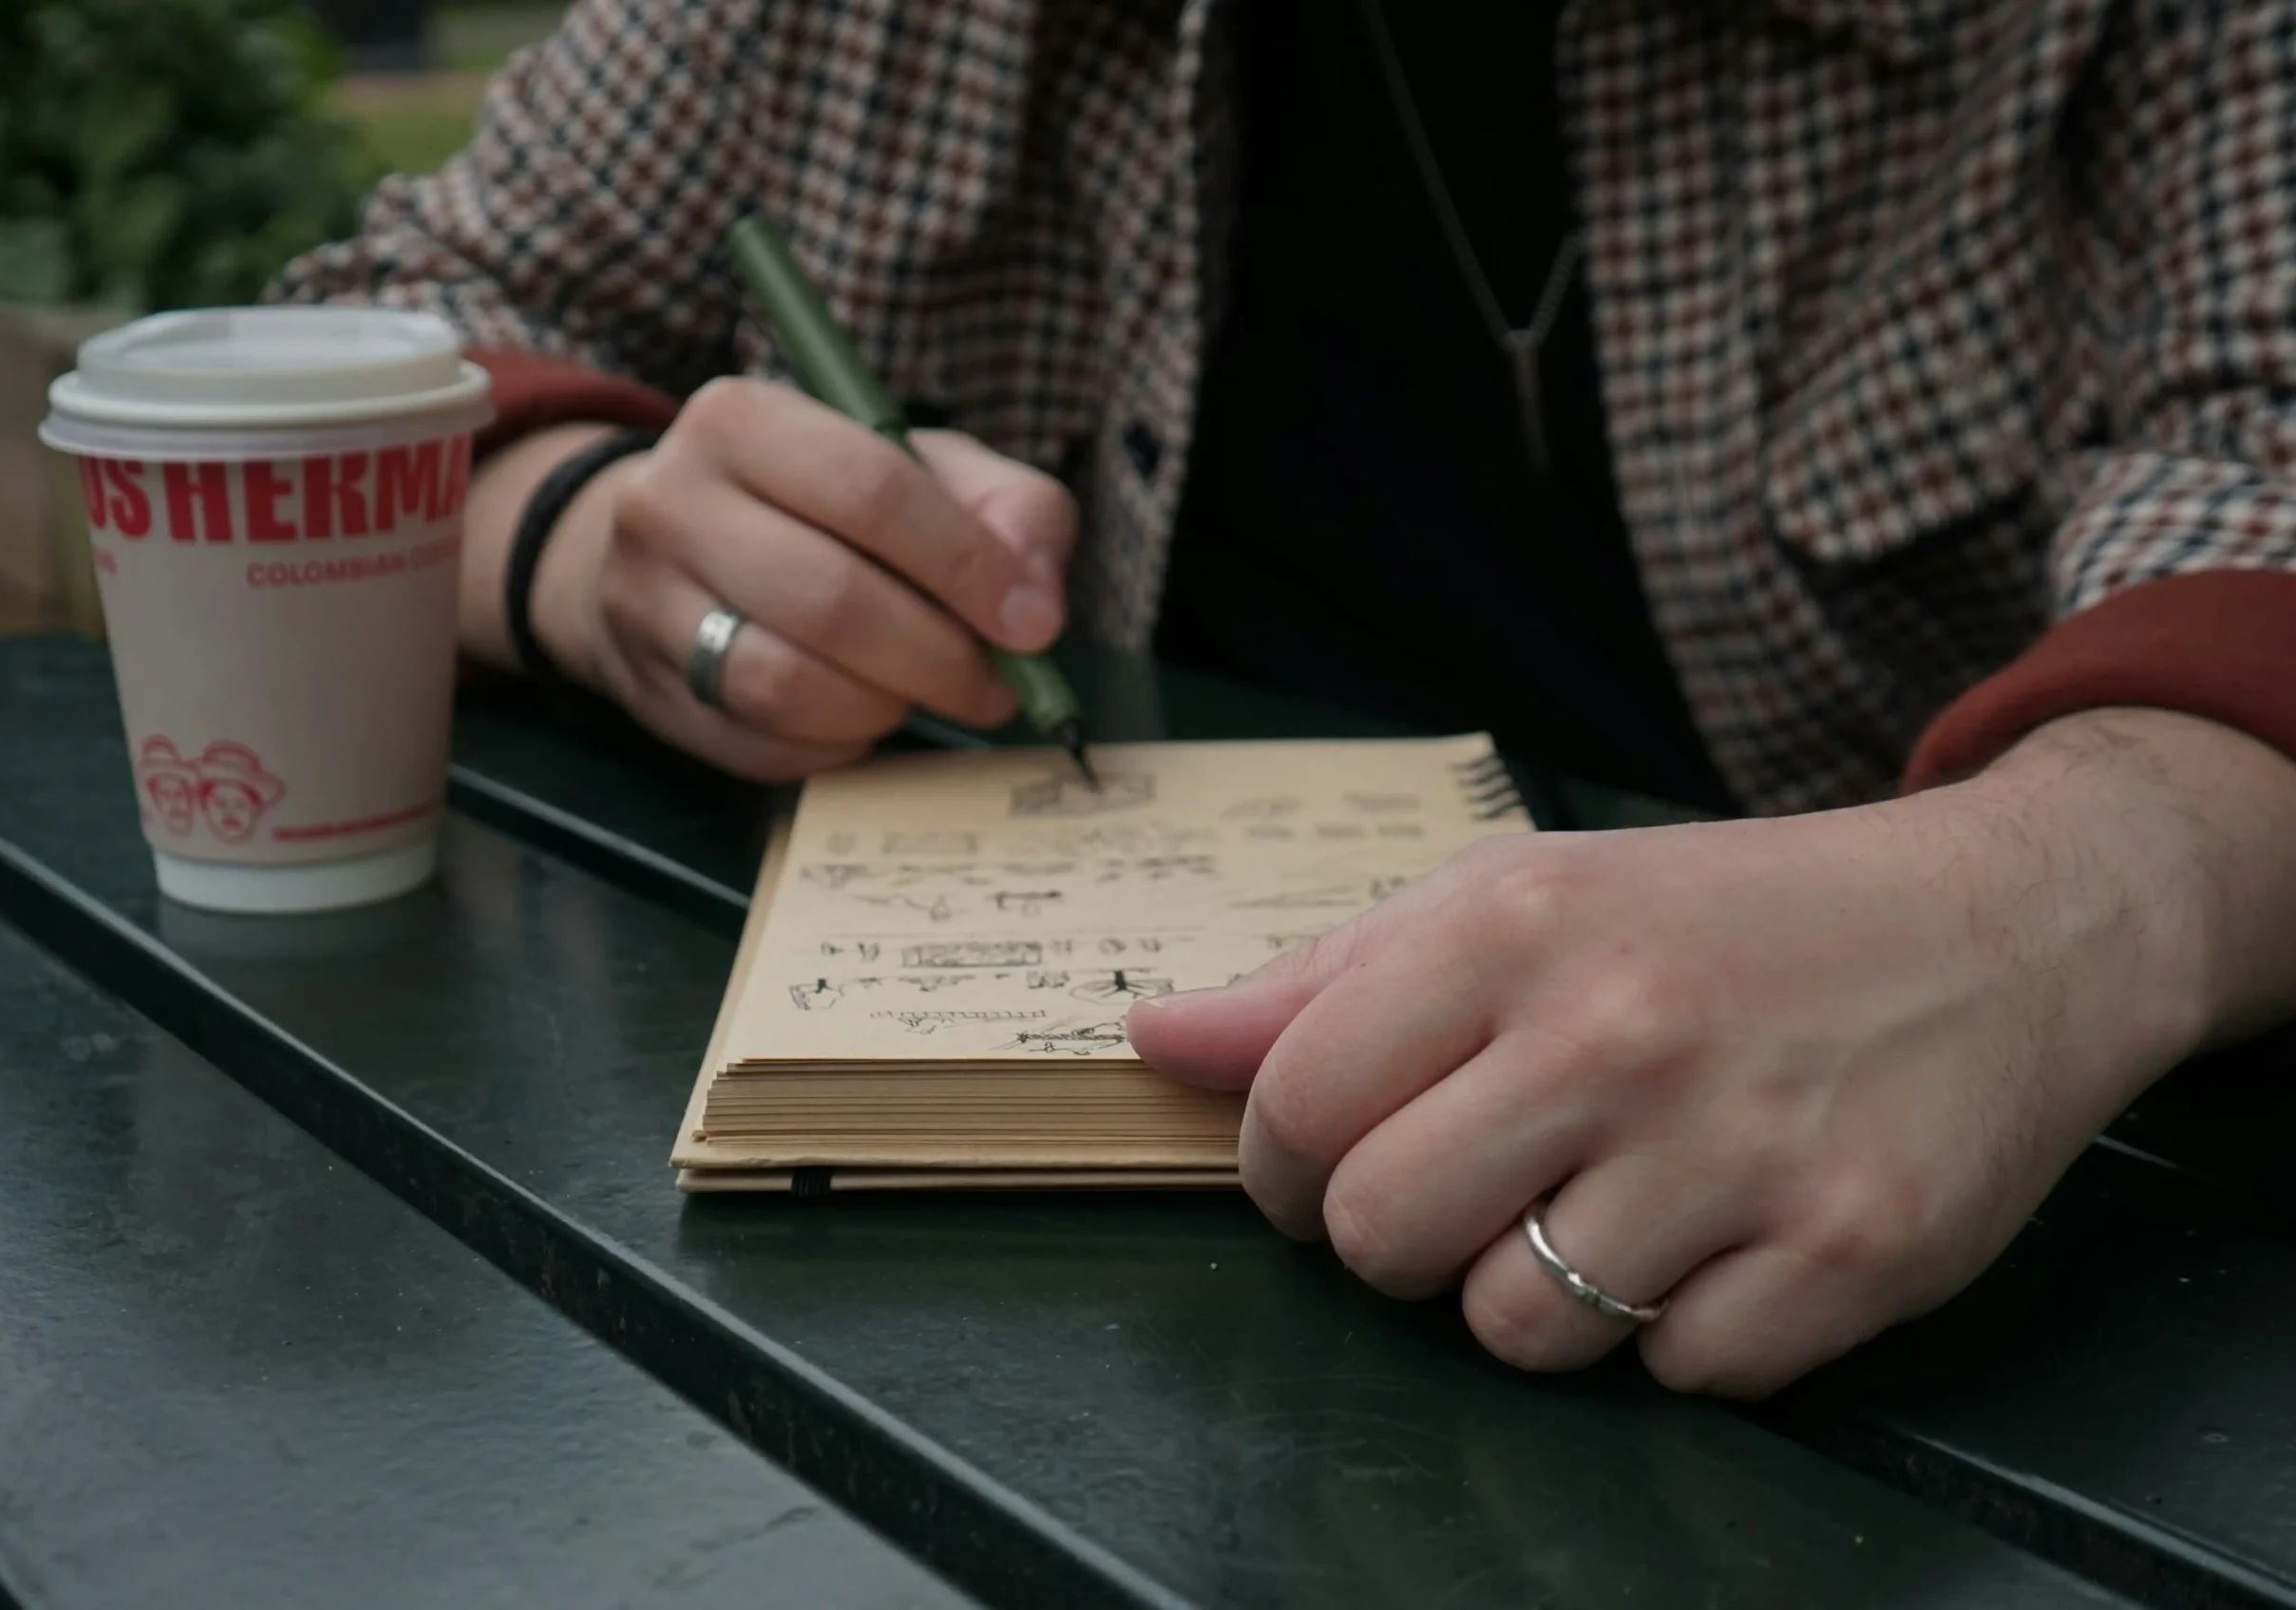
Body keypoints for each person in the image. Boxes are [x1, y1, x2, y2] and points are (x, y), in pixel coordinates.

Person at [275, 0, 2296, 1396]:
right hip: (979, 1321)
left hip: (1965, 1316)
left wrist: (2052, 902)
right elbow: (351, 349)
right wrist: (589, 540)